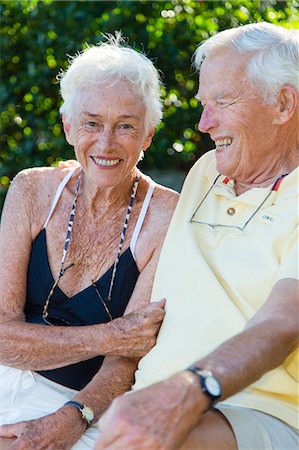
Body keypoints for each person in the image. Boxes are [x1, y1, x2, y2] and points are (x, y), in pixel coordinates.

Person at [94, 22, 299, 450]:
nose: (205, 123)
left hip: (258, 410)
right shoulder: (208, 171)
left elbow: (283, 321)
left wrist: (190, 389)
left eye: (222, 101)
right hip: (148, 405)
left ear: (283, 104)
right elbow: (116, 177)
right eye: (204, 103)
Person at [0, 33, 178, 449]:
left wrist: (72, 418)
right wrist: (111, 335)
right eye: (92, 123)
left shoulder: (164, 217)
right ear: (68, 127)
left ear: (148, 135)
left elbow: (125, 362)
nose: (106, 142)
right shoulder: (32, 191)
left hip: (83, 407)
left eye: (126, 127)